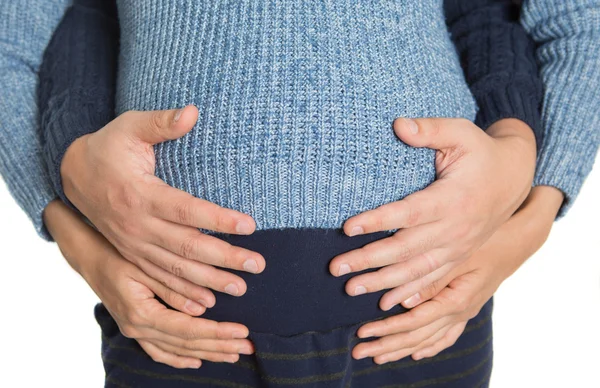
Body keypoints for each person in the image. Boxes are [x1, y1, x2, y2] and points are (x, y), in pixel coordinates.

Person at [1, 0, 598, 387]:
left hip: (425, 323)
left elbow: (556, 22)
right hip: (172, 328)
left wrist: (531, 205)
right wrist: (73, 230)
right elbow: (17, 42)